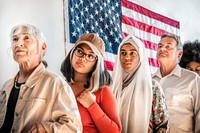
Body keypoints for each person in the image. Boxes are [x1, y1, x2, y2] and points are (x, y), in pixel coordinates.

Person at [0, 24, 82, 133]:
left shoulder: (56, 84)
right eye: (15, 39)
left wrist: (44, 128)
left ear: (43, 47)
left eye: (27, 38)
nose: (18, 44)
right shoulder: (6, 86)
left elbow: (73, 128)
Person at [60, 33, 122, 133]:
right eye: (80, 51)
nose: (83, 58)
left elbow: (115, 131)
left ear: (97, 63)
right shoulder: (60, 86)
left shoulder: (102, 91)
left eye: (90, 56)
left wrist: (92, 105)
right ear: (72, 53)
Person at [111, 34, 169, 133]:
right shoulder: (112, 86)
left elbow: (163, 126)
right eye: (123, 53)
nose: (127, 57)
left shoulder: (151, 87)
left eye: (132, 53)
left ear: (140, 57)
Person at [152, 33, 200, 132]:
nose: (162, 49)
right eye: (160, 46)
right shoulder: (149, 81)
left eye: (168, 46)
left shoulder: (192, 79)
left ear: (179, 54)